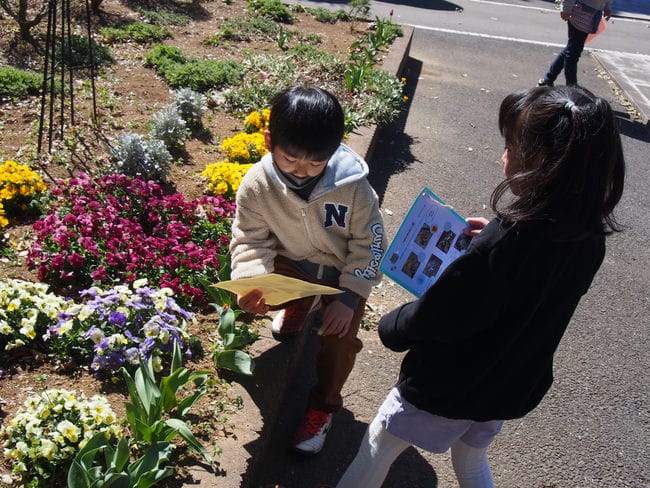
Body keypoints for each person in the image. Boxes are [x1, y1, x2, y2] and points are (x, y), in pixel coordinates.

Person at [337, 85, 625, 487]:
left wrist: (393, 325)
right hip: (508, 384)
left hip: (449, 384)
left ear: (541, 162)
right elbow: (534, 280)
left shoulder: (502, 246)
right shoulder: (587, 237)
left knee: (378, 444)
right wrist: (495, 235)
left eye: (511, 145)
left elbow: (443, 314)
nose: (503, 155)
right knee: (471, 458)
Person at [229, 86, 387, 455]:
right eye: (290, 158)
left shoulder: (355, 189)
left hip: (339, 274)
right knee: (254, 290)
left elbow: (370, 245)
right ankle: (298, 302)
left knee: (340, 339)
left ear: (333, 150)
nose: (302, 170)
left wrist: (348, 297)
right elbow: (249, 238)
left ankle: (323, 405)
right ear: (269, 141)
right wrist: (252, 282)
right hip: (291, 264)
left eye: (316, 163)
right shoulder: (257, 183)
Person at [538, 0, 611, 87]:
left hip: (591, 15)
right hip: (580, 14)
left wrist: (607, 7)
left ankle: (548, 79)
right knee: (573, 53)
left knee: (571, 49)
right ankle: (571, 85)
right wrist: (566, 8)